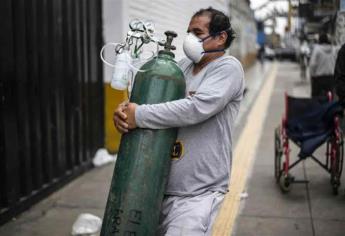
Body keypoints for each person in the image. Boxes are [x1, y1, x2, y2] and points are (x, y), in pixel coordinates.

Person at [114, 7, 244, 235]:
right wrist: (124, 114)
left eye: (197, 32)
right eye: (189, 32)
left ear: (221, 37)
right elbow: (155, 106)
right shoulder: (181, 67)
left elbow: (195, 108)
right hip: (155, 184)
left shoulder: (228, 68)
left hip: (197, 193)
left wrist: (140, 115)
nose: (189, 39)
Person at [309, 33, 337, 97]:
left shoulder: (317, 49)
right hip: (331, 78)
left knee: (316, 96)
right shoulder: (334, 49)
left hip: (319, 78)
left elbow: (312, 64)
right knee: (331, 96)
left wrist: (312, 75)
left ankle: (317, 106)